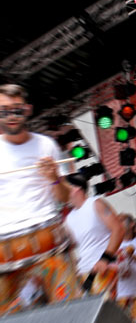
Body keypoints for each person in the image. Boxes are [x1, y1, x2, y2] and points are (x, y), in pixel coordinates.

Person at [0, 84, 81, 315]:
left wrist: (55, 178)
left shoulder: (45, 145)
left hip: (48, 238)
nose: (11, 117)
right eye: (4, 111)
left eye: (16, 110)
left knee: (69, 311)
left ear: (27, 109)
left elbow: (65, 198)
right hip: (4, 245)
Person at [65, 173, 125, 298]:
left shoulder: (96, 204)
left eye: (65, 186)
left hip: (104, 269)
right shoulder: (69, 218)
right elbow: (71, 246)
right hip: (84, 273)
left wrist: (105, 259)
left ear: (76, 188)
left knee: (107, 312)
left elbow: (118, 229)